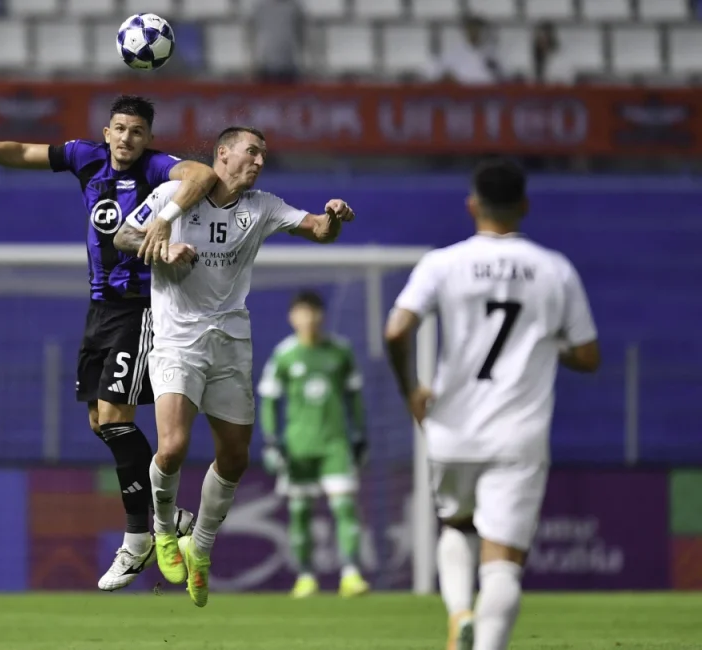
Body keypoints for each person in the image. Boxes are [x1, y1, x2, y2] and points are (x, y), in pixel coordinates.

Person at [0, 95, 219, 592]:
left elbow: (203, 176)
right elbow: (22, 152)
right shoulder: (85, 158)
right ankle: (167, 517)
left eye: (137, 131)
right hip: (99, 311)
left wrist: (164, 217)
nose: (127, 138)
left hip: (142, 308)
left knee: (114, 417)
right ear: (106, 132)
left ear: (148, 137)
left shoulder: (157, 168)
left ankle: (139, 539)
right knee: (99, 421)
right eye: (120, 129)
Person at [112, 126, 356, 607]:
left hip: (230, 343)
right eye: (252, 152)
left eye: (264, 155)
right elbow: (123, 234)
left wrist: (334, 217)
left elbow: (318, 231)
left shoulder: (262, 206)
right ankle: (163, 529)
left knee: (236, 458)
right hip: (178, 339)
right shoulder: (171, 194)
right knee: (175, 446)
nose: (260, 161)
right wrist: (161, 247)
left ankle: (200, 547)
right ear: (222, 154)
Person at [384, 158, 600, 650]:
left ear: (472, 204)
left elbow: (397, 329)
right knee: (502, 561)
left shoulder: (443, 263)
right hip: (517, 435)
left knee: (457, 524)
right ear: (524, 205)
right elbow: (589, 355)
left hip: (451, 428)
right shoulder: (554, 269)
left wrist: (411, 389)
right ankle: (485, 642)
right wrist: (548, 344)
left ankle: (460, 612)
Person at [257, 290, 370, 599]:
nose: (308, 319)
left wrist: (360, 434)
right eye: (302, 313)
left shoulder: (339, 352)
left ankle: (351, 574)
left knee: (345, 507)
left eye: (313, 313)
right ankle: (305, 576)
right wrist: (270, 440)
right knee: (300, 512)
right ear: (292, 318)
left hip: (335, 444)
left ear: (322, 316)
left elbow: (354, 397)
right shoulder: (285, 354)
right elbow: (268, 400)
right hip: (298, 447)